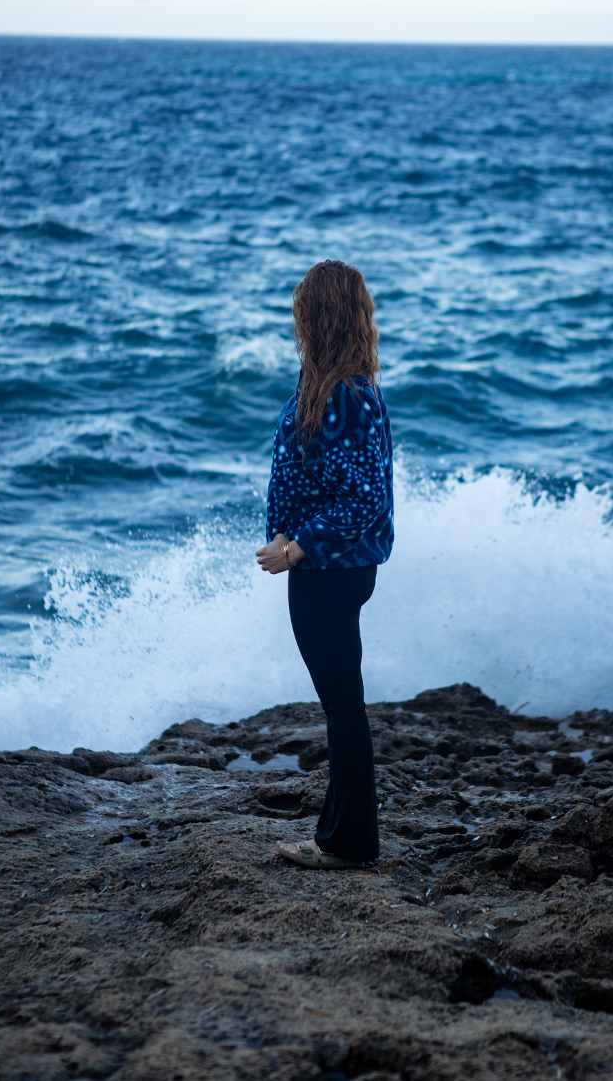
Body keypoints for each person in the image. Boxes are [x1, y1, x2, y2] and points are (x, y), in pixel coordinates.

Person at [256, 260, 394, 870]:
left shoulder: (346, 395)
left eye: (302, 312)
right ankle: (344, 836)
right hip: (325, 570)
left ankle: (348, 845)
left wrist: (296, 546)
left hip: (330, 572)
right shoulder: (334, 382)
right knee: (343, 706)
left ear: (318, 317)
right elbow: (311, 477)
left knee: (343, 709)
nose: (296, 323)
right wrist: (284, 535)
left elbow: (364, 499)